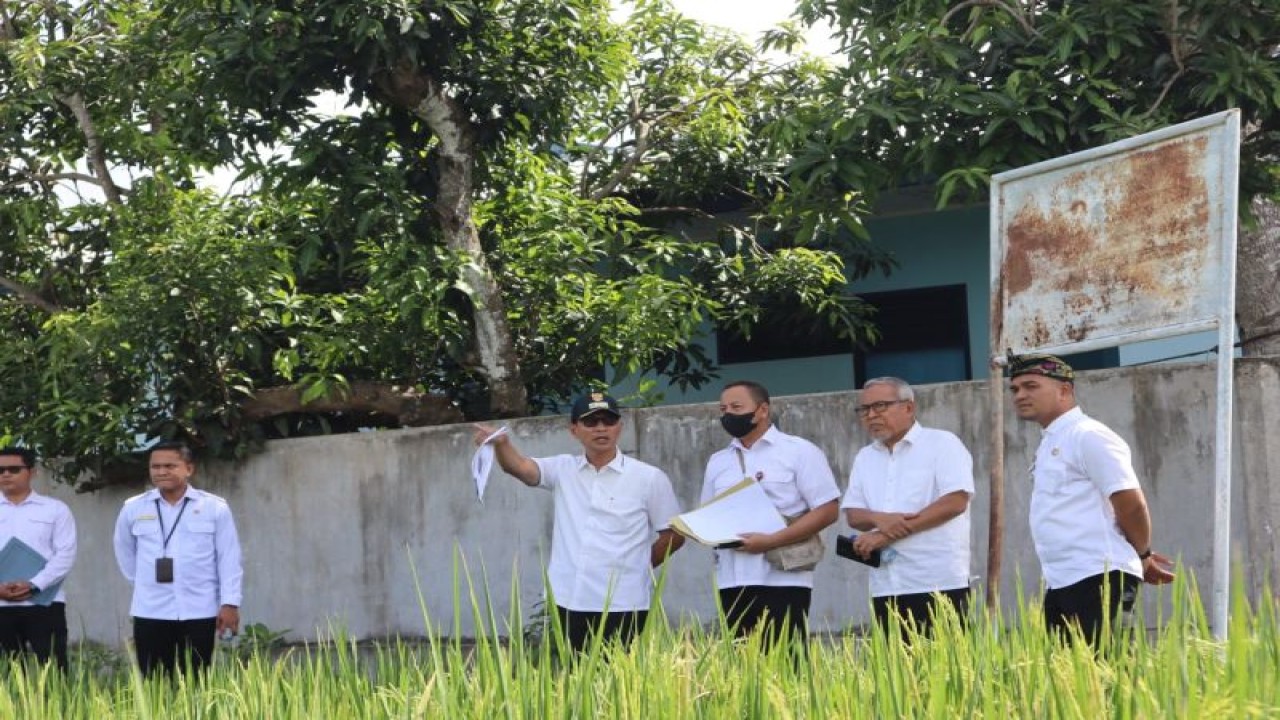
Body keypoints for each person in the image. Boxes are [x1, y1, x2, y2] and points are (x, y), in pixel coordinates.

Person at [474, 392, 684, 652]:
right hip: (570, 598)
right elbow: (519, 468)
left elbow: (674, 534)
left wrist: (641, 564)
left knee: (621, 680)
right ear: (574, 430)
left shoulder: (648, 478)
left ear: (620, 427)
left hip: (623, 600)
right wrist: (501, 444)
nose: (600, 428)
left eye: (608, 421)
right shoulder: (563, 469)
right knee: (575, 677)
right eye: (591, 422)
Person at [1008, 353, 1175, 645]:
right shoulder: (1051, 441)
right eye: (1015, 389)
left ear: (1064, 390)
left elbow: (1130, 502)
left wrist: (1143, 555)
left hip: (1099, 575)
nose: (1020, 395)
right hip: (1062, 580)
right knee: (1074, 684)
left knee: (1111, 677)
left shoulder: (1088, 435)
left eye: (1031, 386)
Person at [702, 380, 840, 645]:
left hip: (784, 576)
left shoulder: (799, 451)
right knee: (744, 669)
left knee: (786, 663)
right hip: (732, 578)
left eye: (736, 406)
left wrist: (771, 541)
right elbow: (708, 512)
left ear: (762, 410)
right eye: (723, 409)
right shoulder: (718, 461)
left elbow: (827, 509)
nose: (728, 414)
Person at [841, 377, 974, 638]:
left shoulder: (942, 443)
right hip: (886, 584)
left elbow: (955, 502)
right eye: (864, 410)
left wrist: (884, 534)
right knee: (896, 673)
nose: (871, 415)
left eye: (880, 406)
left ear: (909, 408)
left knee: (947, 669)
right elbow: (854, 515)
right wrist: (879, 518)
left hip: (937, 580)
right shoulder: (865, 457)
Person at [112, 441, 243, 676]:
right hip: (150, 610)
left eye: (170, 466)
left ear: (189, 469)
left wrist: (229, 603)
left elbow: (229, 557)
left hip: (199, 609)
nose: (162, 472)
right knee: (154, 681)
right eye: (155, 466)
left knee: (197, 679)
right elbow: (125, 553)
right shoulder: (133, 508)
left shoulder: (214, 507)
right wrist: (145, 584)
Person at [0, 447, 76, 672]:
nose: (5, 475)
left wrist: (34, 585)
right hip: (0, 604)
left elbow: (65, 554)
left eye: (14, 469)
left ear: (31, 472)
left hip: (44, 602)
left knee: (54, 670)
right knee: (8, 674)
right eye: (1, 470)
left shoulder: (55, 509)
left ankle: (57, 708)